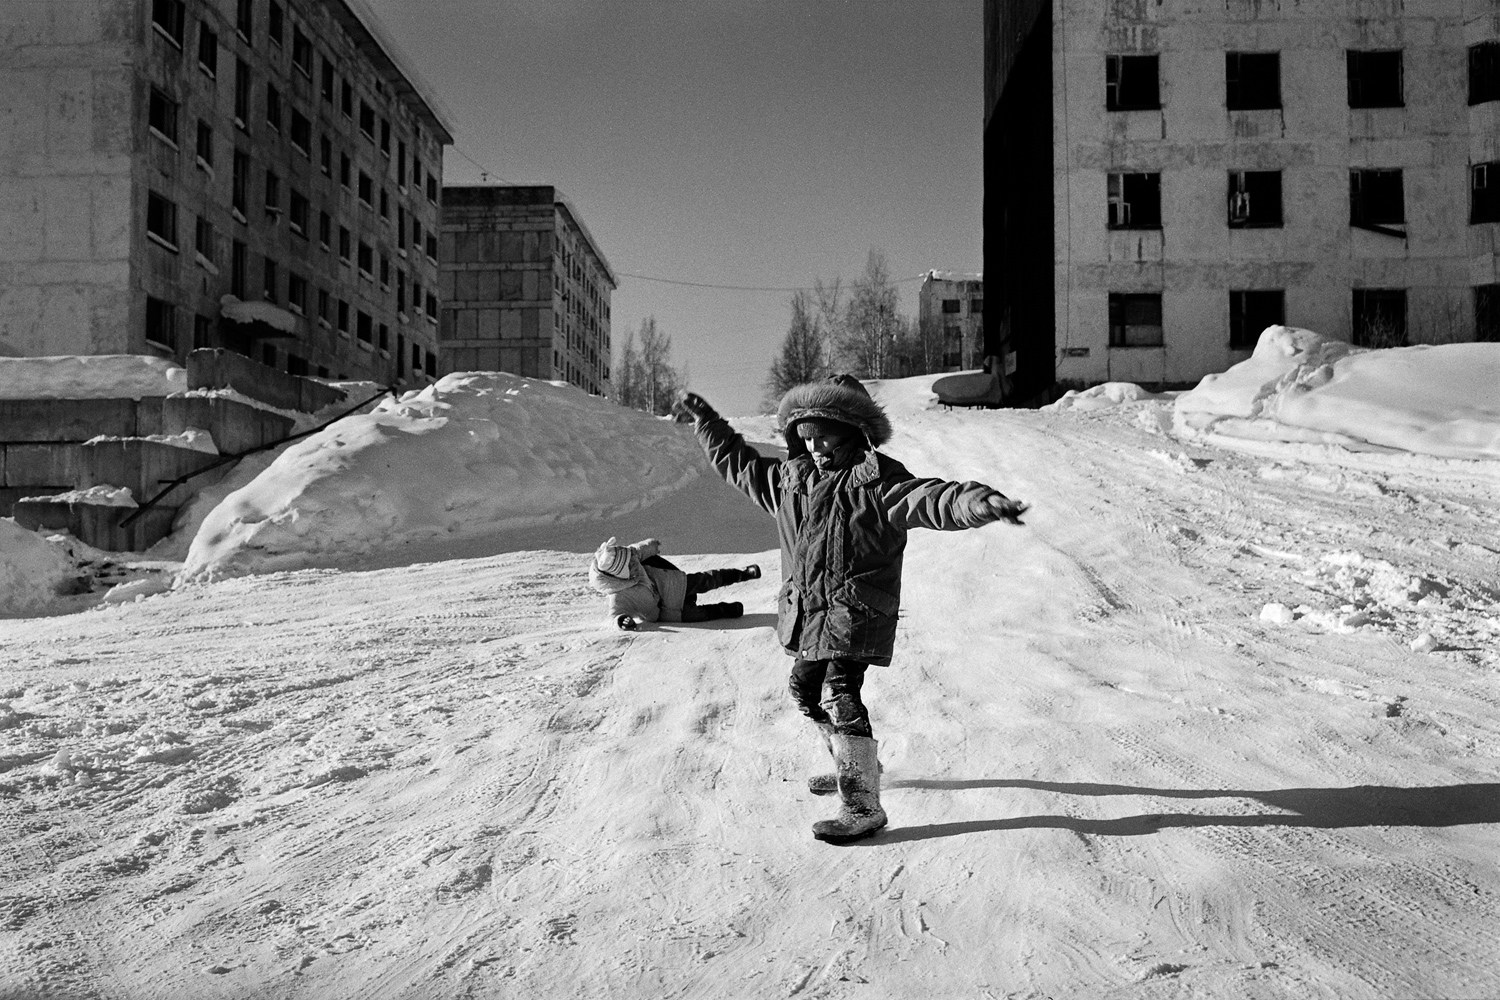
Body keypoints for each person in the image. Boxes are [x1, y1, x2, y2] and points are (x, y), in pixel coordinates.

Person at [675, 375, 1027, 843]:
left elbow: (934, 497)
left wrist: (982, 502)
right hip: (810, 612)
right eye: (805, 435)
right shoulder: (790, 482)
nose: (815, 445)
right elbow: (740, 466)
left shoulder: (878, 483)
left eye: (824, 433)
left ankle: (862, 803)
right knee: (804, 689)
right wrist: (708, 424)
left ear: (853, 430)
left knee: (839, 692)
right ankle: (854, 764)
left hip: (855, 611)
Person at [589, 536, 761, 631]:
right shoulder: (619, 596)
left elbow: (639, 550)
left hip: (672, 585)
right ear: (620, 575)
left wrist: (652, 545)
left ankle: (742, 574)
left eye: (634, 561)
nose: (636, 564)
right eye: (631, 566)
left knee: (707, 579)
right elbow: (614, 615)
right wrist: (621, 621)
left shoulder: (631, 557)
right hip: (668, 611)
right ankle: (727, 609)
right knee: (699, 615)